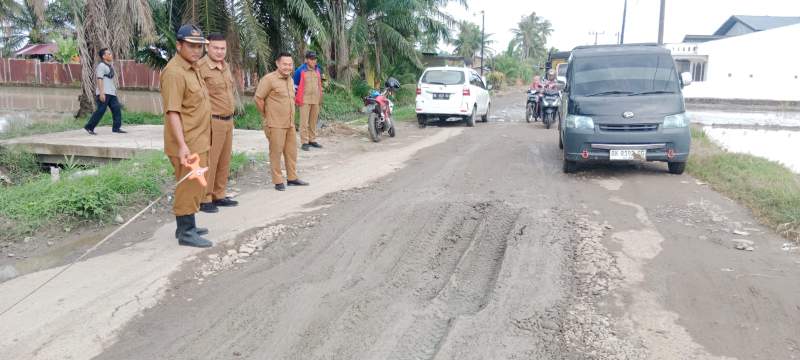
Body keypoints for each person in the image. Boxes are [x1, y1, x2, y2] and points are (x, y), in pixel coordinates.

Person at [160, 24, 213, 248]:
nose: (196, 50)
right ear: (179, 45)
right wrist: (182, 146)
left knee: (195, 185)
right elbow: (173, 111)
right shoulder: (174, 72)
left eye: (200, 46)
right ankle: (186, 232)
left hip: (199, 138)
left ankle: (187, 223)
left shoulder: (193, 68)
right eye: (191, 46)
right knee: (189, 186)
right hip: (187, 143)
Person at [254, 52, 310, 191]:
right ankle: (278, 180)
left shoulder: (290, 80)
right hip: (275, 124)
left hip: (289, 123)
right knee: (276, 152)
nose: (287, 67)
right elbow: (258, 99)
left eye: (290, 64)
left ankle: (292, 178)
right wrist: (267, 116)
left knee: (291, 152)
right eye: (284, 64)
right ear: (277, 63)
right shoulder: (269, 79)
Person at [197, 33, 239, 214]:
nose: (220, 52)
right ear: (207, 47)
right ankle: (205, 198)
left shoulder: (225, 67)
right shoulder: (200, 68)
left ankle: (219, 195)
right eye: (216, 48)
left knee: (224, 160)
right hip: (213, 121)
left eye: (223, 48)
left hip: (228, 120)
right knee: (210, 161)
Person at [84, 48, 125, 135]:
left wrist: (113, 91)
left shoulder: (109, 66)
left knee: (116, 109)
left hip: (111, 93)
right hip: (104, 93)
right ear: (104, 56)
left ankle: (116, 128)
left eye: (110, 54)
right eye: (109, 54)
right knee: (101, 110)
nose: (111, 55)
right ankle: (89, 127)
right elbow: (100, 79)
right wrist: (101, 93)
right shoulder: (101, 66)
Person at [293, 51, 324, 151]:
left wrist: (320, 97)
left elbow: (319, 84)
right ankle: (304, 142)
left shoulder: (318, 70)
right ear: (306, 60)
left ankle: (312, 140)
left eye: (314, 59)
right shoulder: (300, 70)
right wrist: (295, 98)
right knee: (304, 122)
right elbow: (295, 86)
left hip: (315, 99)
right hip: (304, 99)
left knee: (313, 121)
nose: (313, 60)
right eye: (311, 59)